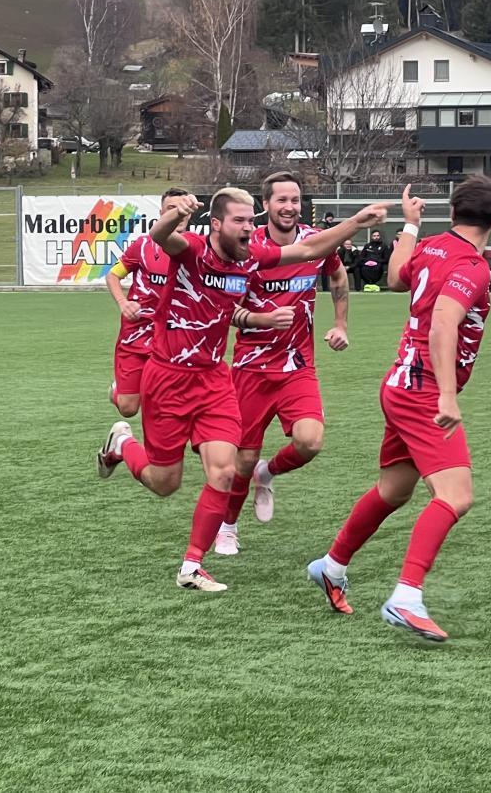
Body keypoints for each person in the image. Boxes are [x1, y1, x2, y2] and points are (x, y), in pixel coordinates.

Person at [96, 189, 388, 592]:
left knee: (225, 469)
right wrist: (175, 213)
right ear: (216, 224)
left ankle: (192, 566)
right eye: (240, 221)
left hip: (215, 379)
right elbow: (162, 237)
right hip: (167, 379)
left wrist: (354, 223)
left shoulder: (251, 258)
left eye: (252, 220)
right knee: (165, 483)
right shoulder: (193, 251)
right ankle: (121, 443)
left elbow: (308, 251)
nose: (249, 228)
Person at [306, 178, 491, 643]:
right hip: (423, 389)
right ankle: (406, 596)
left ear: (452, 212)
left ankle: (331, 565)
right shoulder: (473, 266)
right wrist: (447, 396)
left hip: (400, 381)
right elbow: (442, 326)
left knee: (393, 490)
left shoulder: (431, 246)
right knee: (456, 496)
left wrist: (411, 226)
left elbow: (395, 279)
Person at [215, 172, 351, 556]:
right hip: (250, 368)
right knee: (242, 459)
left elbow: (337, 274)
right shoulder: (246, 247)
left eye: (295, 199)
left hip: (298, 365)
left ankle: (269, 473)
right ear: (266, 206)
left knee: (310, 442)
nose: (289, 207)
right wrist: (259, 320)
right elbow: (224, 308)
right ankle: (228, 526)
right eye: (281, 200)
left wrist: (340, 323)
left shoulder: (314, 241)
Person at [104, 189, 190, 417]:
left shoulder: (198, 249)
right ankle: (119, 392)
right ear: (161, 212)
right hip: (137, 334)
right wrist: (123, 303)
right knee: (128, 408)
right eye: (172, 209)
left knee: (170, 405)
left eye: (183, 209)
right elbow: (113, 275)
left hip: (174, 337)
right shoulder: (143, 246)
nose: (179, 214)